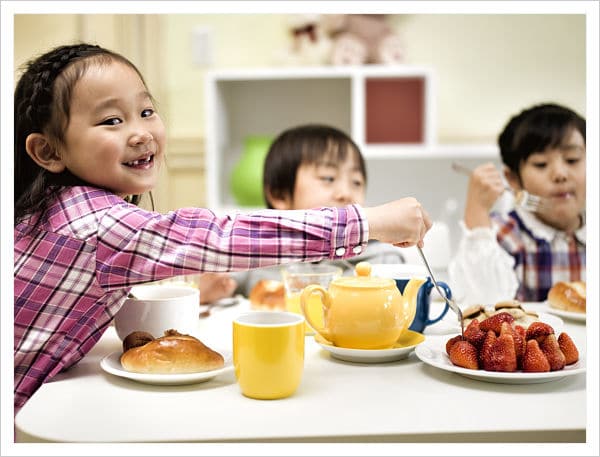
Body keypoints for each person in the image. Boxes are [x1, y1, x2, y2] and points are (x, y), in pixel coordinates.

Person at [13, 43, 431, 414]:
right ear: (47, 150)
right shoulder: (98, 223)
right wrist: (369, 220)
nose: (141, 132)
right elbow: (220, 236)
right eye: (110, 121)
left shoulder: (56, 211)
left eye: (145, 111)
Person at [227, 124, 407, 296]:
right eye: (328, 178)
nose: (346, 193)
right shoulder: (255, 253)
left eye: (356, 182)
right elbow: (218, 286)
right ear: (280, 195)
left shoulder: (381, 259)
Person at [448, 103, 586, 306]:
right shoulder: (503, 236)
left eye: (572, 160)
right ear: (512, 179)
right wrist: (477, 210)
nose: (560, 174)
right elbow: (482, 304)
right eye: (541, 164)